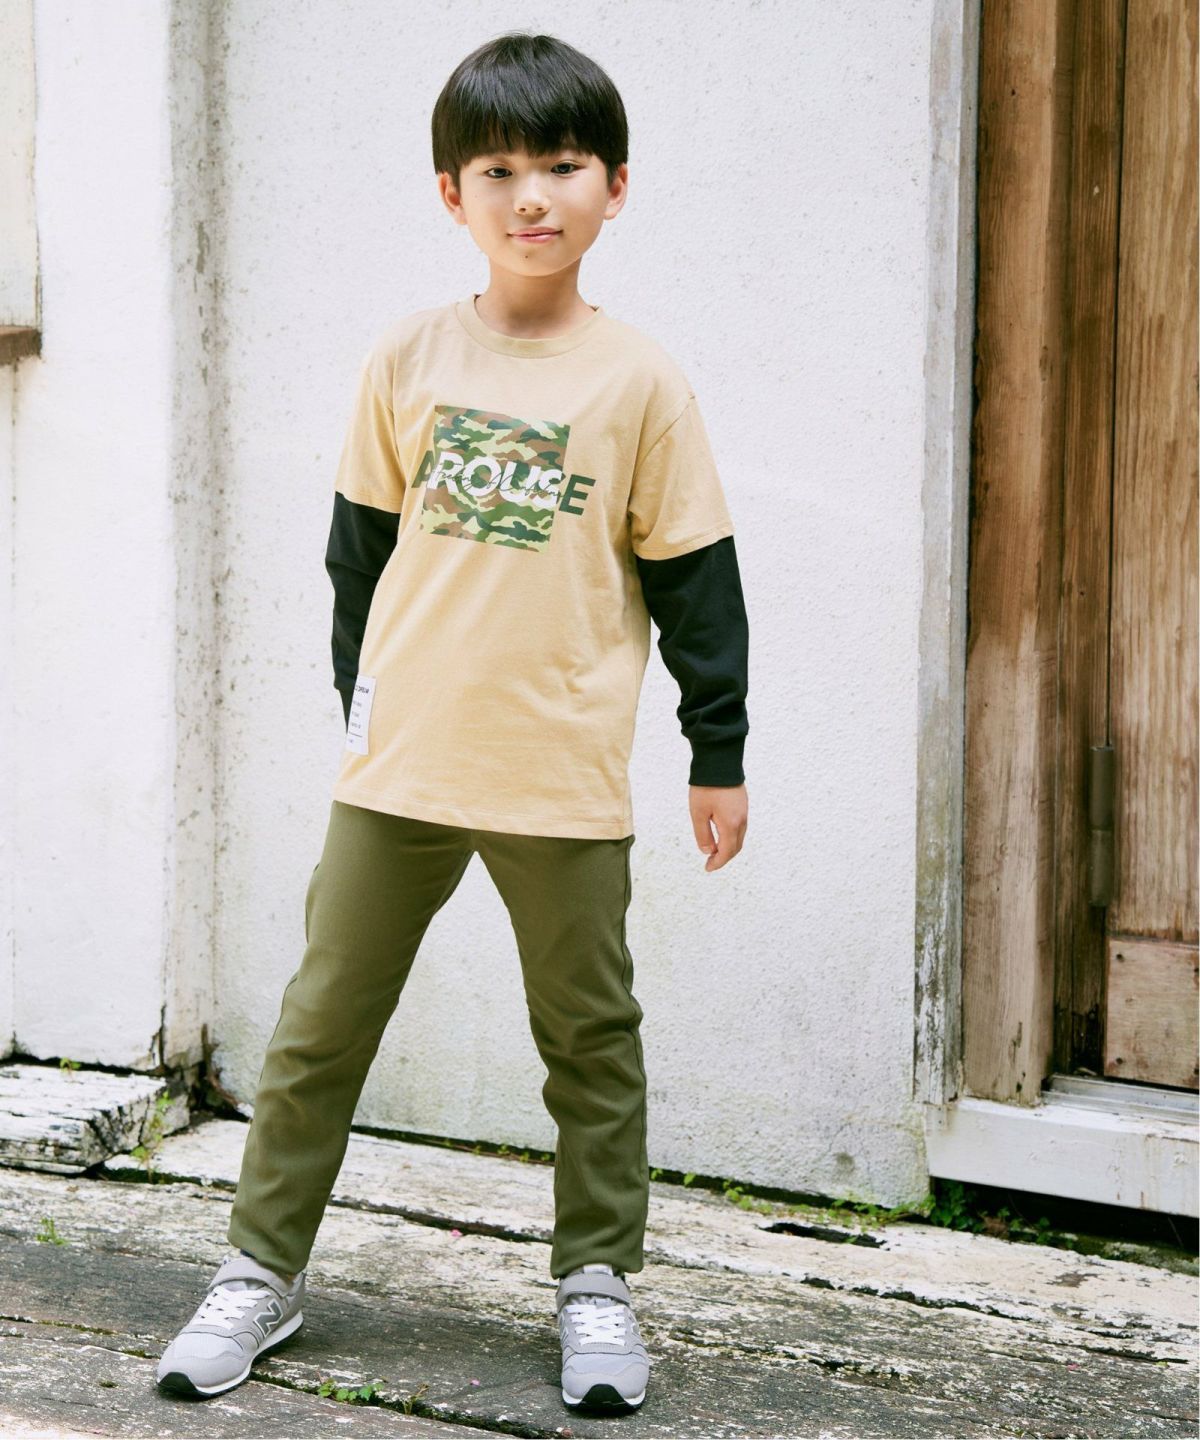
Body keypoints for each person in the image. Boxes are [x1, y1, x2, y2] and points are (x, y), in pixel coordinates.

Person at [157, 29, 749, 1414]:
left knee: (589, 1040)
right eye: (498, 170)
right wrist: (362, 711)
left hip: (560, 770)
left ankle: (596, 1284)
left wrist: (716, 752)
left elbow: (697, 581)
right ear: (451, 194)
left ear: (615, 187)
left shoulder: (641, 381)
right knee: (320, 1026)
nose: (532, 196)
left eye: (564, 166)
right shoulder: (408, 356)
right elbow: (357, 560)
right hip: (404, 763)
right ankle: (258, 1270)